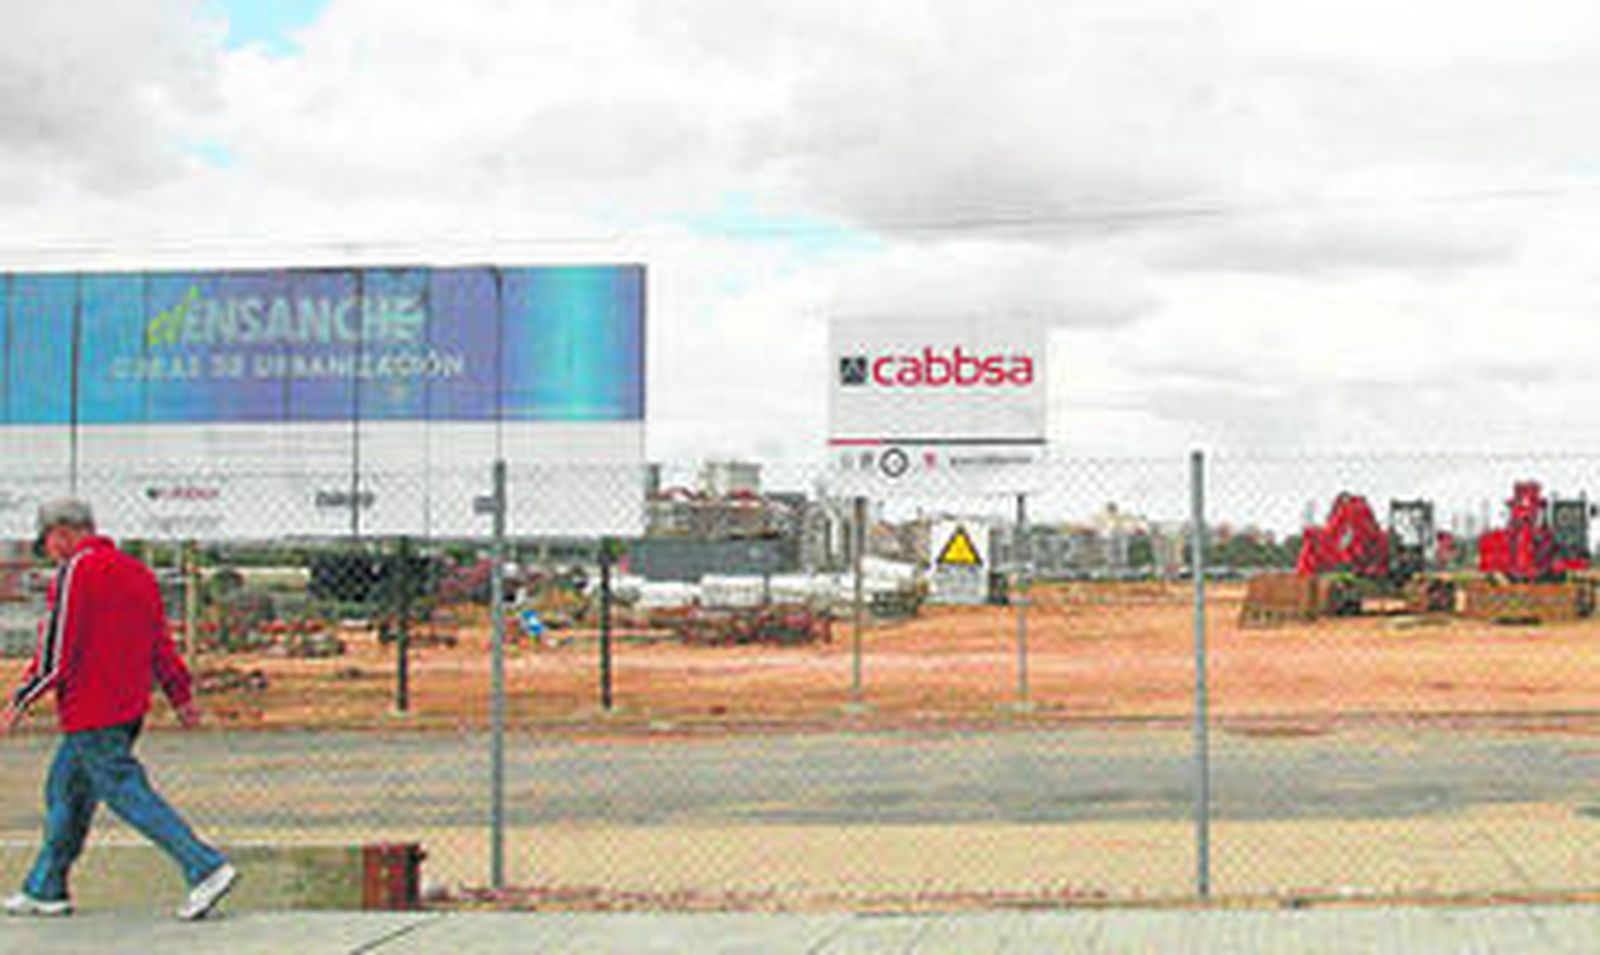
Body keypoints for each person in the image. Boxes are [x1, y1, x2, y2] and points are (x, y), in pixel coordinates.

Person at [2, 497, 237, 920]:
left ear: (64, 533)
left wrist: (21, 699)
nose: (50, 552)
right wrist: (180, 696)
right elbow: (160, 644)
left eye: (50, 541)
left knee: (125, 792)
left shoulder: (77, 570)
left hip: (91, 709)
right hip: (128, 707)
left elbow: (56, 646)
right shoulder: (138, 573)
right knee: (65, 790)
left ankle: (204, 866)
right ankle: (45, 887)